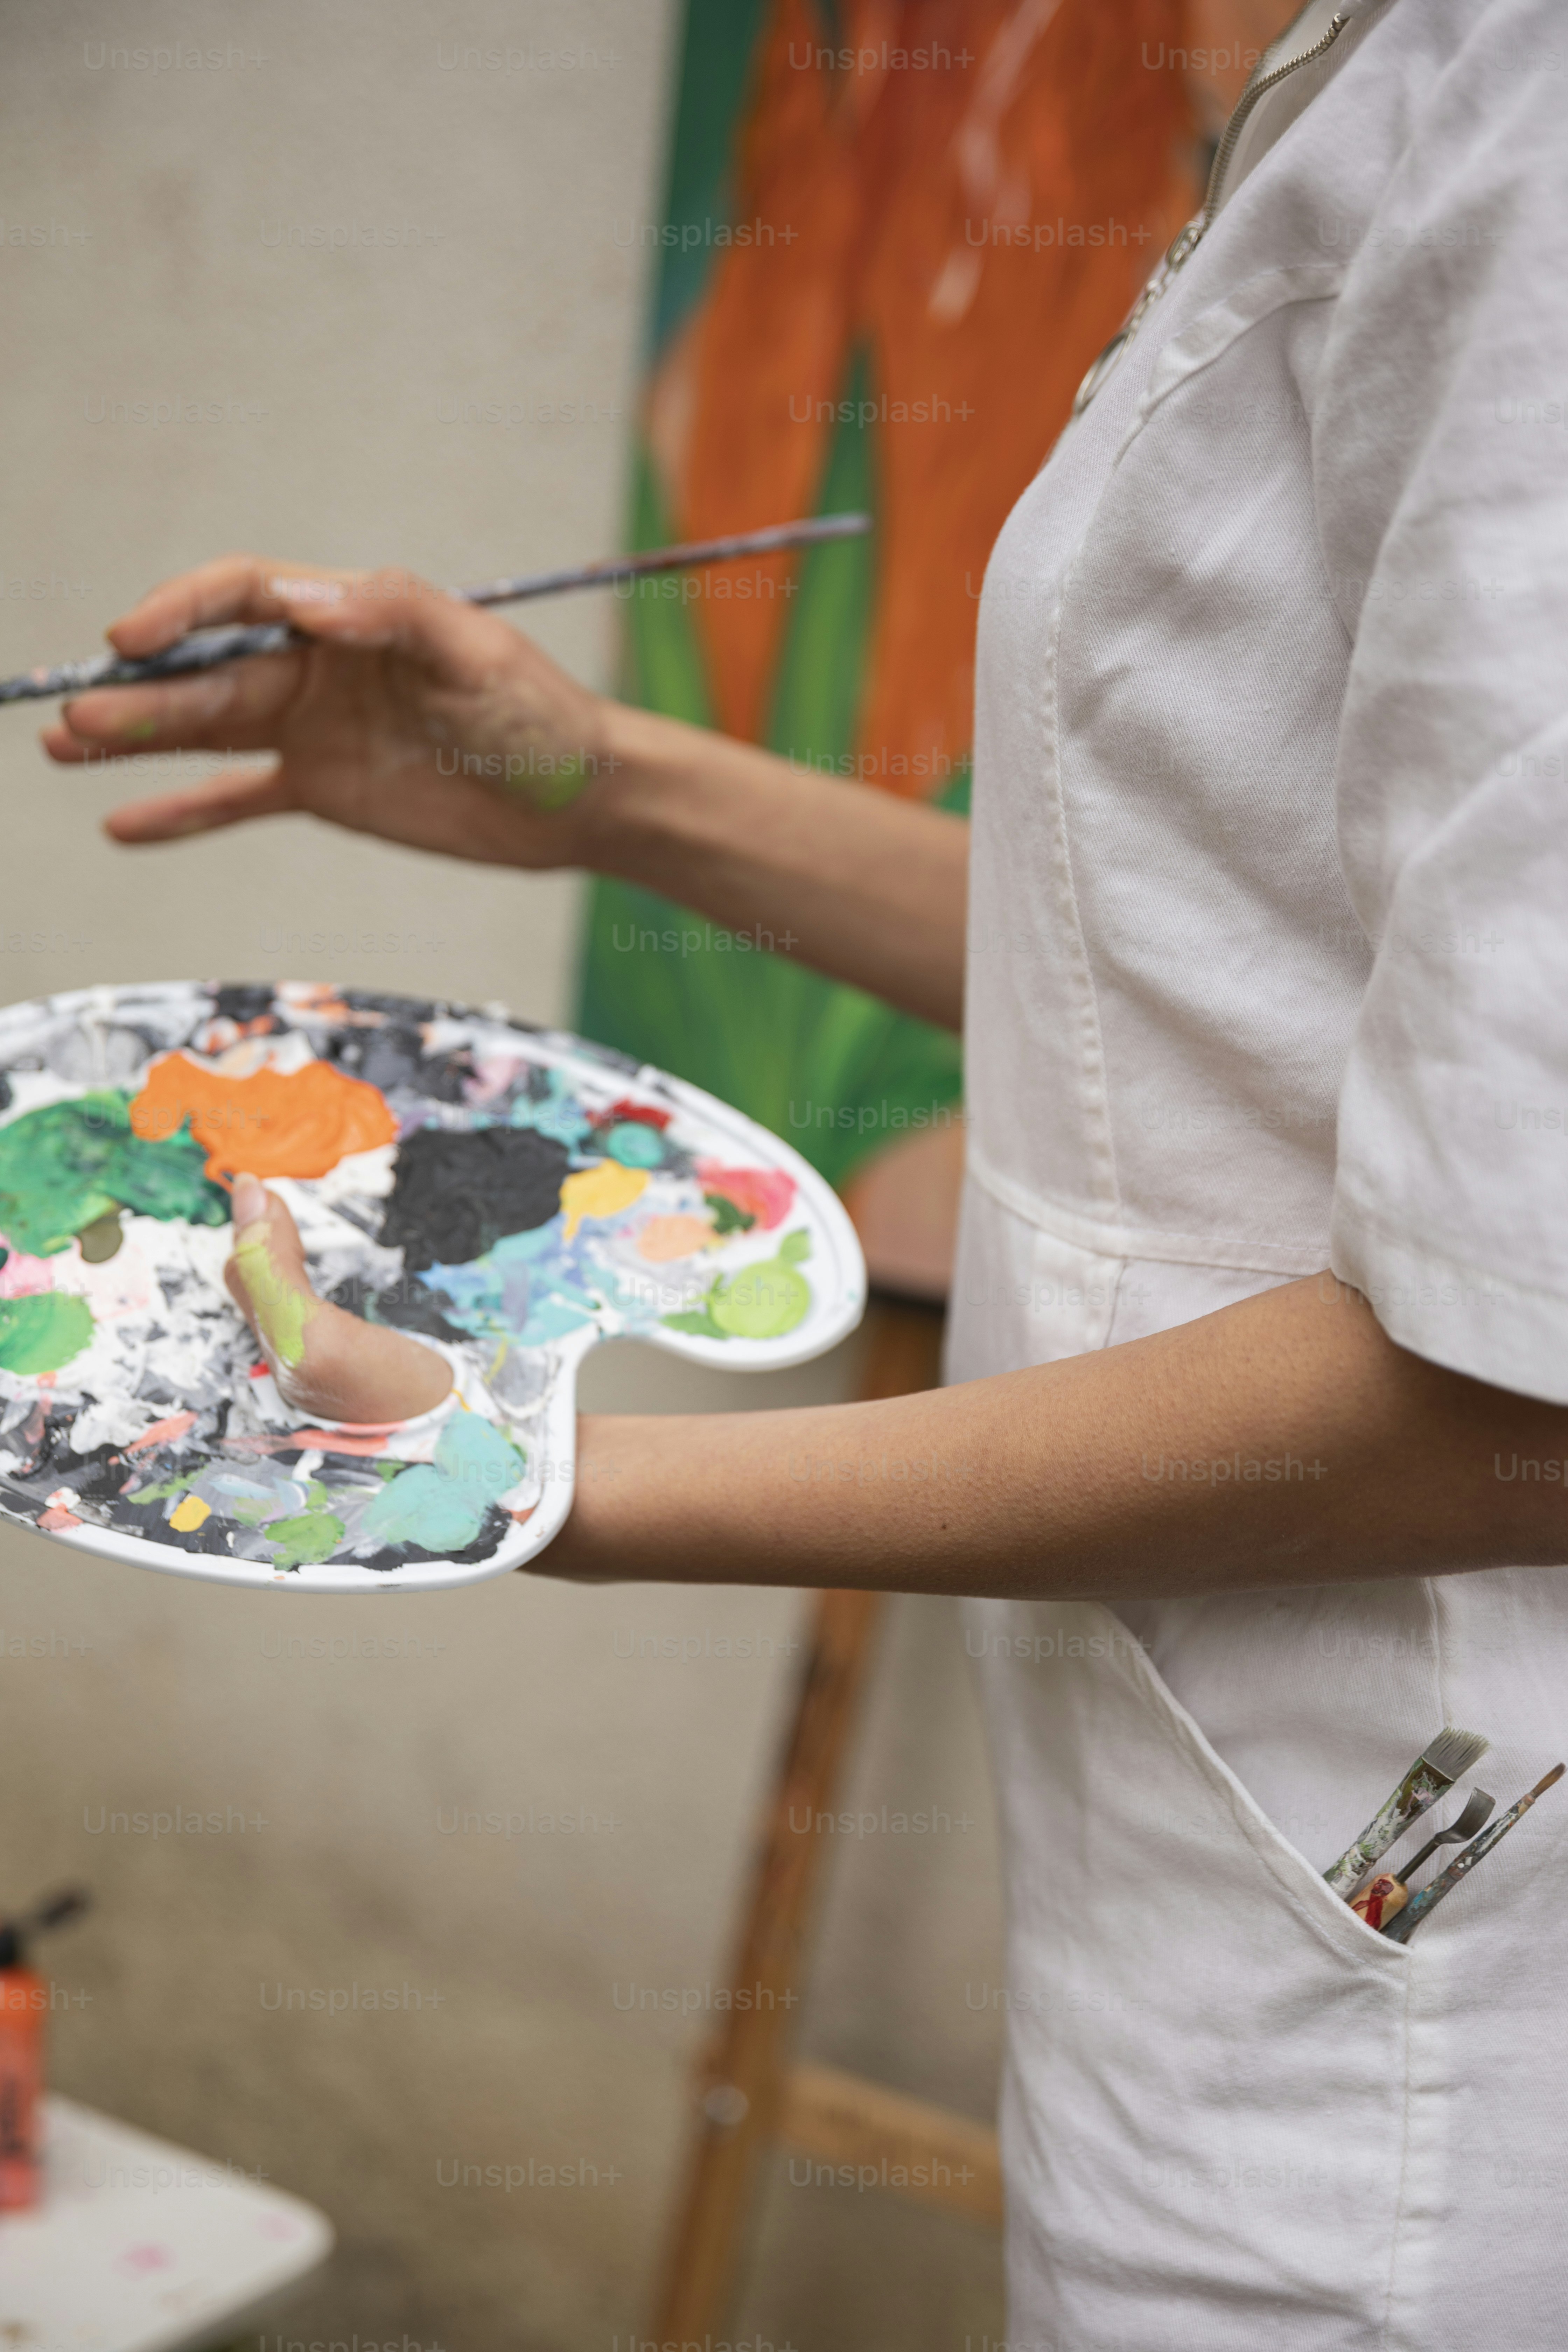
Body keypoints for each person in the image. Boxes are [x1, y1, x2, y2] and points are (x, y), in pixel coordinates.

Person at [42, 0, 1568, 2340]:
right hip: (1223, 1861)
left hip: (1419, 1986)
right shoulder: (1331, 98)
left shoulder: (1524, 130)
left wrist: (517, 1480)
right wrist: (584, 783)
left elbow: (1523, 1382)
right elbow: (1184, 976)